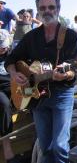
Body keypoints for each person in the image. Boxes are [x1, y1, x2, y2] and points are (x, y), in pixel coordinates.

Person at [5, 0, 77, 163]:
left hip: (61, 94)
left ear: (58, 9)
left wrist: (66, 74)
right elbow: (11, 60)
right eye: (43, 8)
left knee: (59, 146)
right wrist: (15, 73)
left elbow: (74, 68)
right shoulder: (31, 37)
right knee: (45, 146)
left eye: (51, 7)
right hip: (36, 96)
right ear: (38, 11)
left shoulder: (69, 36)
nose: (47, 11)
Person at [0, 30, 22, 163]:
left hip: (12, 86)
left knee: (33, 95)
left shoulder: (12, 55)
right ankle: (6, 145)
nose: (2, 48)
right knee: (3, 103)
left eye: (3, 45)